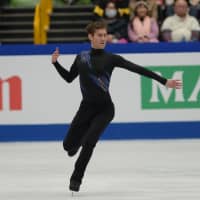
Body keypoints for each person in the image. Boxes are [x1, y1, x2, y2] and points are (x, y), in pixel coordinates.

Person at [51, 20, 182, 192]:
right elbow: (69, 78)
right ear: (90, 36)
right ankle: (76, 143)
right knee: (67, 146)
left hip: (105, 110)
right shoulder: (81, 57)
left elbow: (137, 69)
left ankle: (76, 179)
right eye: (99, 35)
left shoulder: (111, 59)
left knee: (90, 142)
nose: (103, 38)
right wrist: (55, 63)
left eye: (105, 35)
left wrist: (164, 81)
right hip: (86, 108)